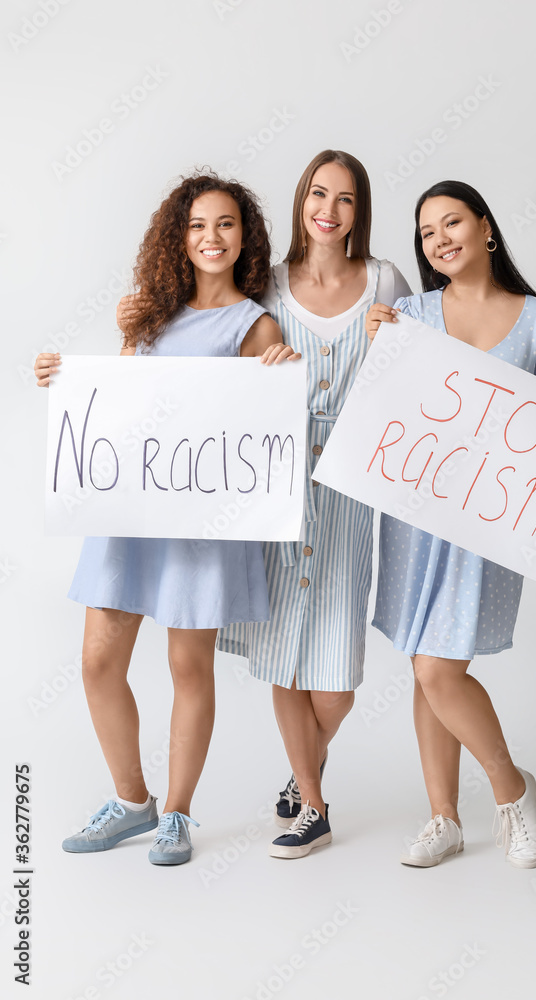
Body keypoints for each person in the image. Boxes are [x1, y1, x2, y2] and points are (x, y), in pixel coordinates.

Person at [365, 180, 536, 870]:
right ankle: (444, 818)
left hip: (486, 521)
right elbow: (381, 406)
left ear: (485, 228)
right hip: (417, 516)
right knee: (426, 669)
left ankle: (511, 788)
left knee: (438, 667)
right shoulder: (409, 315)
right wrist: (375, 343)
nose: (439, 239)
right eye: (426, 233)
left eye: (450, 222)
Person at [33, 172, 300, 866]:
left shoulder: (254, 324)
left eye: (226, 225)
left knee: (188, 666)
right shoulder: (147, 314)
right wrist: (64, 378)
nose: (212, 238)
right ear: (177, 238)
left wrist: (281, 372)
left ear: (246, 238)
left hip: (201, 527)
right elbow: (120, 403)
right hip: (130, 513)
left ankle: (177, 813)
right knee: (97, 663)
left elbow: (264, 429)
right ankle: (131, 802)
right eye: (197, 226)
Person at [217, 150, 413, 859]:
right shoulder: (264, 286)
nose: (328, 209)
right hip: (276, 482)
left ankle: (307, 766)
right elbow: (215, 348)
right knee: (280, 654)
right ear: (302, 200)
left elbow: (440, 348)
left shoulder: (386, 279)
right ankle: (316, 806)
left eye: (346, 199)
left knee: (333, 666)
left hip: (353, 484)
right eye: (318, 194)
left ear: (360, 212)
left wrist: (525, 302)